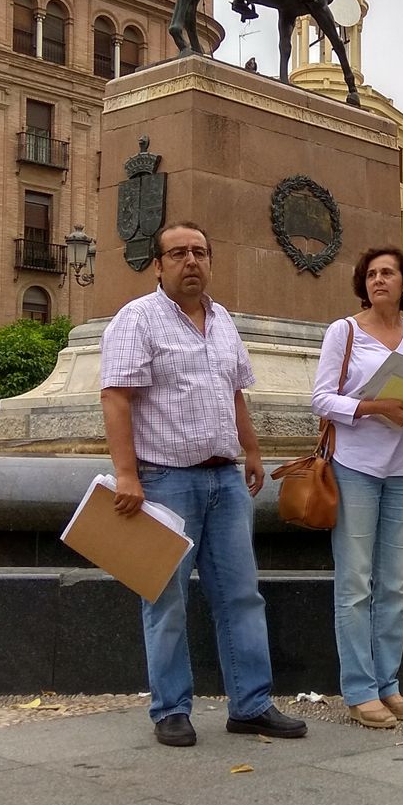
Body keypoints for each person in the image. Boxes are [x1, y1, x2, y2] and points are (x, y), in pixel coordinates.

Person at [100, 221, 306, 748]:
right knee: (165, 600)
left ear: (210, 261)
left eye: (199, 252)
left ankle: (251, 705)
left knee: (241, 596)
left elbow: (235, 390)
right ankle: (171, 708)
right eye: (178, 253)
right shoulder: (137, 319)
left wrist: (253, 449)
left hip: (224, 480)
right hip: (165, 480)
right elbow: (116, 397)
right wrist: (127, 474)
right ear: (159, 265)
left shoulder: (223, 321)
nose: (190, 261)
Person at [311, 247, 403, 729]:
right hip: (355, 465)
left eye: (389, 273)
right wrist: (375, 408)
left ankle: (389, 683)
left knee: (396, 583)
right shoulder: (343, 332)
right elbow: (320, 399)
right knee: (355, 581)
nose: (379, 280)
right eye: (371, 274)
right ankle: (360, 689)